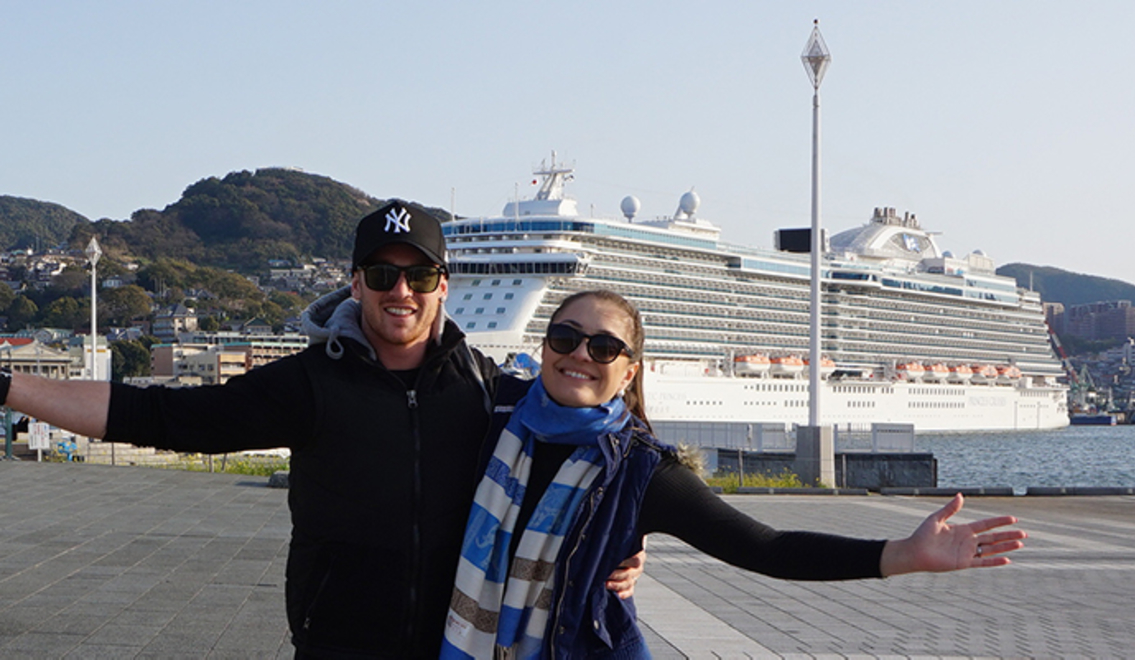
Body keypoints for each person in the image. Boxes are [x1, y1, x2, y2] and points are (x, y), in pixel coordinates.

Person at [0, 202, 641, 658]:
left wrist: (621, 544)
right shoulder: (307, 382)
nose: (401, 292)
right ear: (357, 282)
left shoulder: (484, 386)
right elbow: (160, 416)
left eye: (418, 277)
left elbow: (573, 457)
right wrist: (8, 388)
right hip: (337, 642)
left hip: (455, 643)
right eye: (383, 275)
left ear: (442, 286)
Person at [440, 290, 1028, 659]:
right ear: (544, 347)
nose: (580, 355)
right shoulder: (489, 410)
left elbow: (764, 548)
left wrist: (901, 554)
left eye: (603, 346)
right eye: (565, 338)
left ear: (631, 370)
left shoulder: (643, 471)